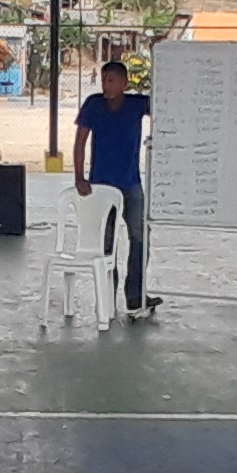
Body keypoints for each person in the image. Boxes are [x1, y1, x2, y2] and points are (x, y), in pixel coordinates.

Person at [72, 60, 158, 320]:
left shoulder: (137, 104)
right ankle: (107, 297)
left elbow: (166, 104)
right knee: (107, 244)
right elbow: (80, 142)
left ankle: (135, 295)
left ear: (124, 83)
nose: (106, 86)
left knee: (140, 238)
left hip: (131, 184)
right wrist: (79, 177)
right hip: (101, 187)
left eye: (111, 80)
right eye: (103, 80)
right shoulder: (93, 105)